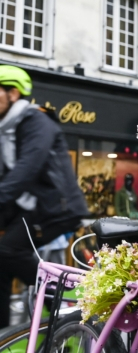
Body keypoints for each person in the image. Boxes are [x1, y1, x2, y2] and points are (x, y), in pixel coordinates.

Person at [0, 65, 89, 328]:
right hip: (34, 208)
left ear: (12, 93)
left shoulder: (36, 121)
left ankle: (69, 296)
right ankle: (6, 334)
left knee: (7, 251)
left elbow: (26, 169)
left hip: (59, 208)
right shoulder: (6, 129)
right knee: (2, 262)